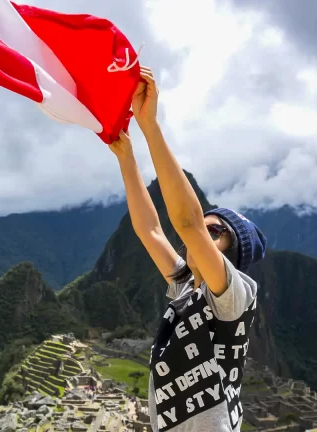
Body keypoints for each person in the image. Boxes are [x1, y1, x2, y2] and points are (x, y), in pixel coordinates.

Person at [110, 66, 267, 432]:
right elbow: (150, 231)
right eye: (206, 226)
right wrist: (126, 158)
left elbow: (187, 223)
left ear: (231, 256)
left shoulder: (235, 297)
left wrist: (150, 126)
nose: (203, 234)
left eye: (216, 233)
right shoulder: (188, 288)